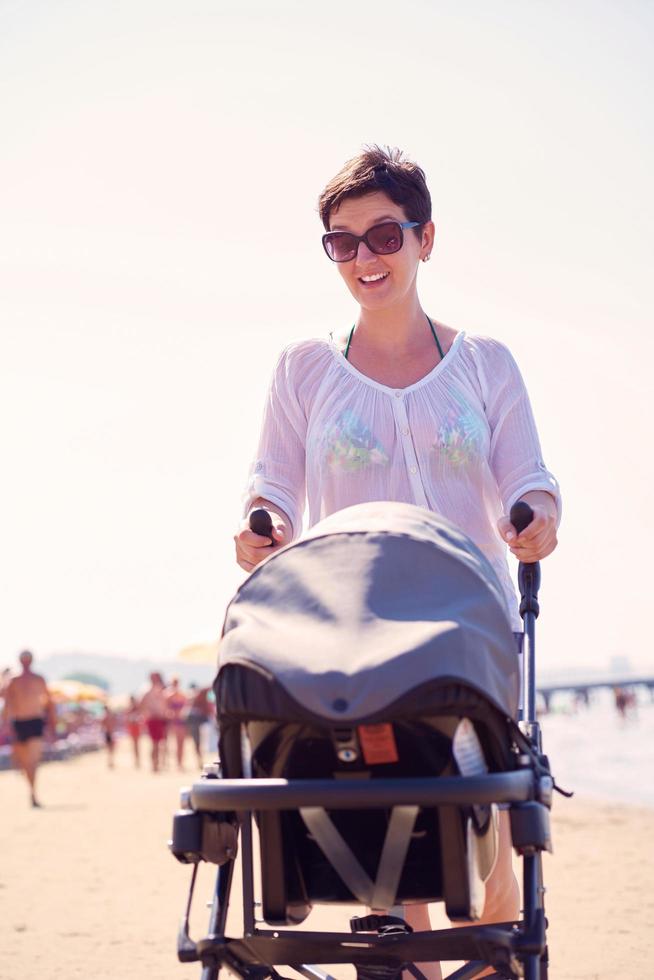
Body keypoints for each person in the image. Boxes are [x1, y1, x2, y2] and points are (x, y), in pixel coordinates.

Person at [234, 146, 561, 979]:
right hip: (348, 650)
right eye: (343, 243)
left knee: (492, 883)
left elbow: (529, 480)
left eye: (384, 235)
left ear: (425, 238)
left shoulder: (485, 364)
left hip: (466, 645)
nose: (365, 258)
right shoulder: (303, 369)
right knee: (392, 877)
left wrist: (537, 520)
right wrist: (258, 528)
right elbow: (268, 485)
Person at [1, 650, 55, 807]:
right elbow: (6, 703)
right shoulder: (12, 680)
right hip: (18, 722)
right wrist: (5, 724)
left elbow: (49, 703)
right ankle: (31, 790)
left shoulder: (39, 679)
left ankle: (33, 793)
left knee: (32, 760)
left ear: (31, 661)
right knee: (25, 762)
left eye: (27, 659)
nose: (25, 662)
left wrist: (52, 724)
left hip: (35, 721)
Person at [139, 672, 169, 773]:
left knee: (161, 743)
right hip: (152, 720)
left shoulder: (162, 690)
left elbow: (166, 705)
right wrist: (148, 713)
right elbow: (142, 705)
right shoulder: (147, 691)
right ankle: (155, 764)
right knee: (155, 743)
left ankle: (160, 762)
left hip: (161, 719)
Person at [186, 683, 213, 769]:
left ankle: (201, 760)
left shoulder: (205, 693)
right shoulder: (205, 692)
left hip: (200, 721)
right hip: (198, 721)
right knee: (199, 742)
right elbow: (210, 704)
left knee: (200, 742)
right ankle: (200, 760)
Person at [165, 676, 188, 771]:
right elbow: (165, 708)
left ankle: (179, 763)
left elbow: (186, 707)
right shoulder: (168, 695)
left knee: (180, 743)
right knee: (167, 743)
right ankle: (166, 762)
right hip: (172, 721)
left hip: (180, 721)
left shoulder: (182, 695)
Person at [125, 694, 142, 768]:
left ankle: (137, 760)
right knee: (135, 744)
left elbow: (140, 718)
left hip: (136, 727)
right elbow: (127, 720)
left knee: (136, 744)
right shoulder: (129, 710)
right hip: (132, 727)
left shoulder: (136, 709)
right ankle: (136, 760)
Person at [101, 704, 116, 769]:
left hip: (108, 733)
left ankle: (110, 761)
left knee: (110, 749)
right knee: (110, 749)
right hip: (109, 733)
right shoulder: (107, 717)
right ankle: (110, 761)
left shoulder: (105, 717)